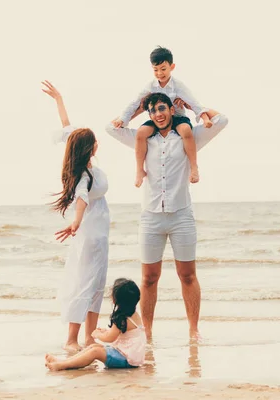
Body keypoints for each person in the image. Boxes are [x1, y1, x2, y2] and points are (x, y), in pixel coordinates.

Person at [106, 92, 229, 339]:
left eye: (162, 108)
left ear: (171, 109)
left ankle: (193, 330)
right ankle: (148, 332)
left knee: (187, 275)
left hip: (181, 215)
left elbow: (222, 120)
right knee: (149, 278)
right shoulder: (144, 137)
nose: (158, 114)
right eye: (153, 110)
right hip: (151, 217)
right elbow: (110, 128)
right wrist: (139, 109)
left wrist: (198, 108)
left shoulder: (188, 134)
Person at [42, 80, 110, 353]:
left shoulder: (86, 163)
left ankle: (90, 337)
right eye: (95, 141)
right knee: (86, 283)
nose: (97, 143)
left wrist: (59, 99)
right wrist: (76, 222)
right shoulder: (85, 173)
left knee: (96, 285)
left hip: (98, 233)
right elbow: (81, 197)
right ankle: (72, 339)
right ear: (89, 147)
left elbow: (68, 126)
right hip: (91, 233)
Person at [112, 46, 214, 188]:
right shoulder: (150, 86)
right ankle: (140, 170)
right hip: (158, 119)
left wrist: (205, 119)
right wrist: (122, 119)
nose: (160, 73)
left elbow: (194, 102)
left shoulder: (178, 85)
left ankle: (194, 167)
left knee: (185, 130)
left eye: (163, 69)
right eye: (156, 70)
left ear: (172, 67)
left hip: (177, 118)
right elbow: (134, 103)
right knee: (141, 133)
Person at [45, 278, 146, 370]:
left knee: (95, 352)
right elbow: (122, 334)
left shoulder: (122, 319)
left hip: (126, 359)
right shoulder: (134, 314)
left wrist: (98, 334)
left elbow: (110, 338)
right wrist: (106, 332)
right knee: (93, 347)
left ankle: (62, 365)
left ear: (116, 299)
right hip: (129, 356)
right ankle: (63, 361)